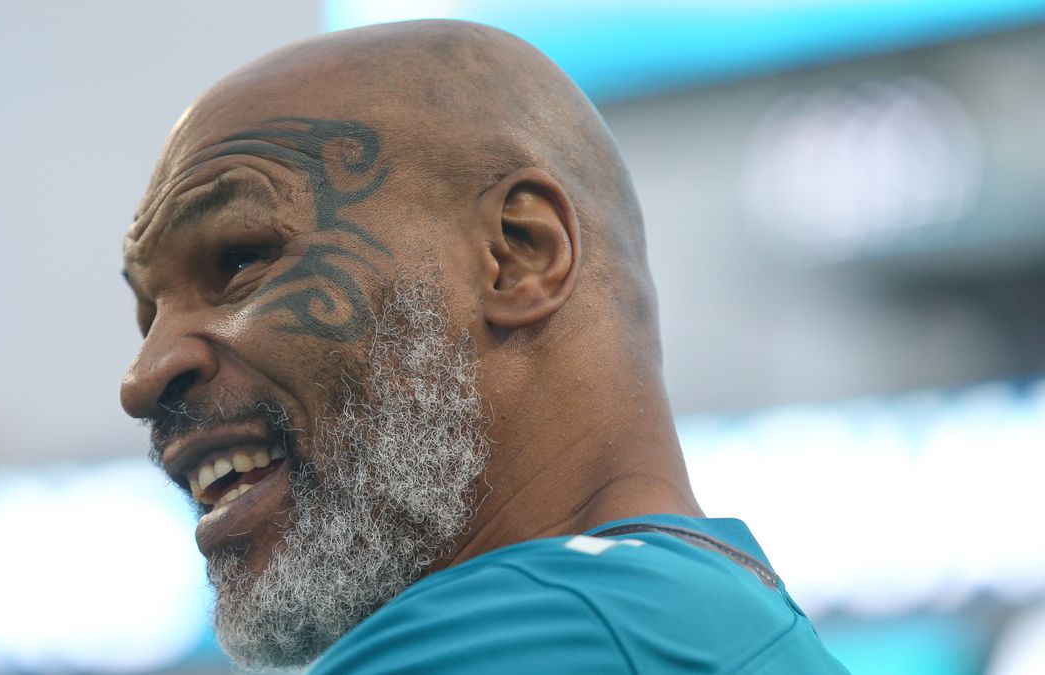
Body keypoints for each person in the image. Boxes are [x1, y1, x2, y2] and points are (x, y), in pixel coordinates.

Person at [119, 19, 849, 674]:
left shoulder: (539, 632)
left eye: (241, 259)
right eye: (148, 314)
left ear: (520, 254)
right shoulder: (712, 617)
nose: (146, 375)